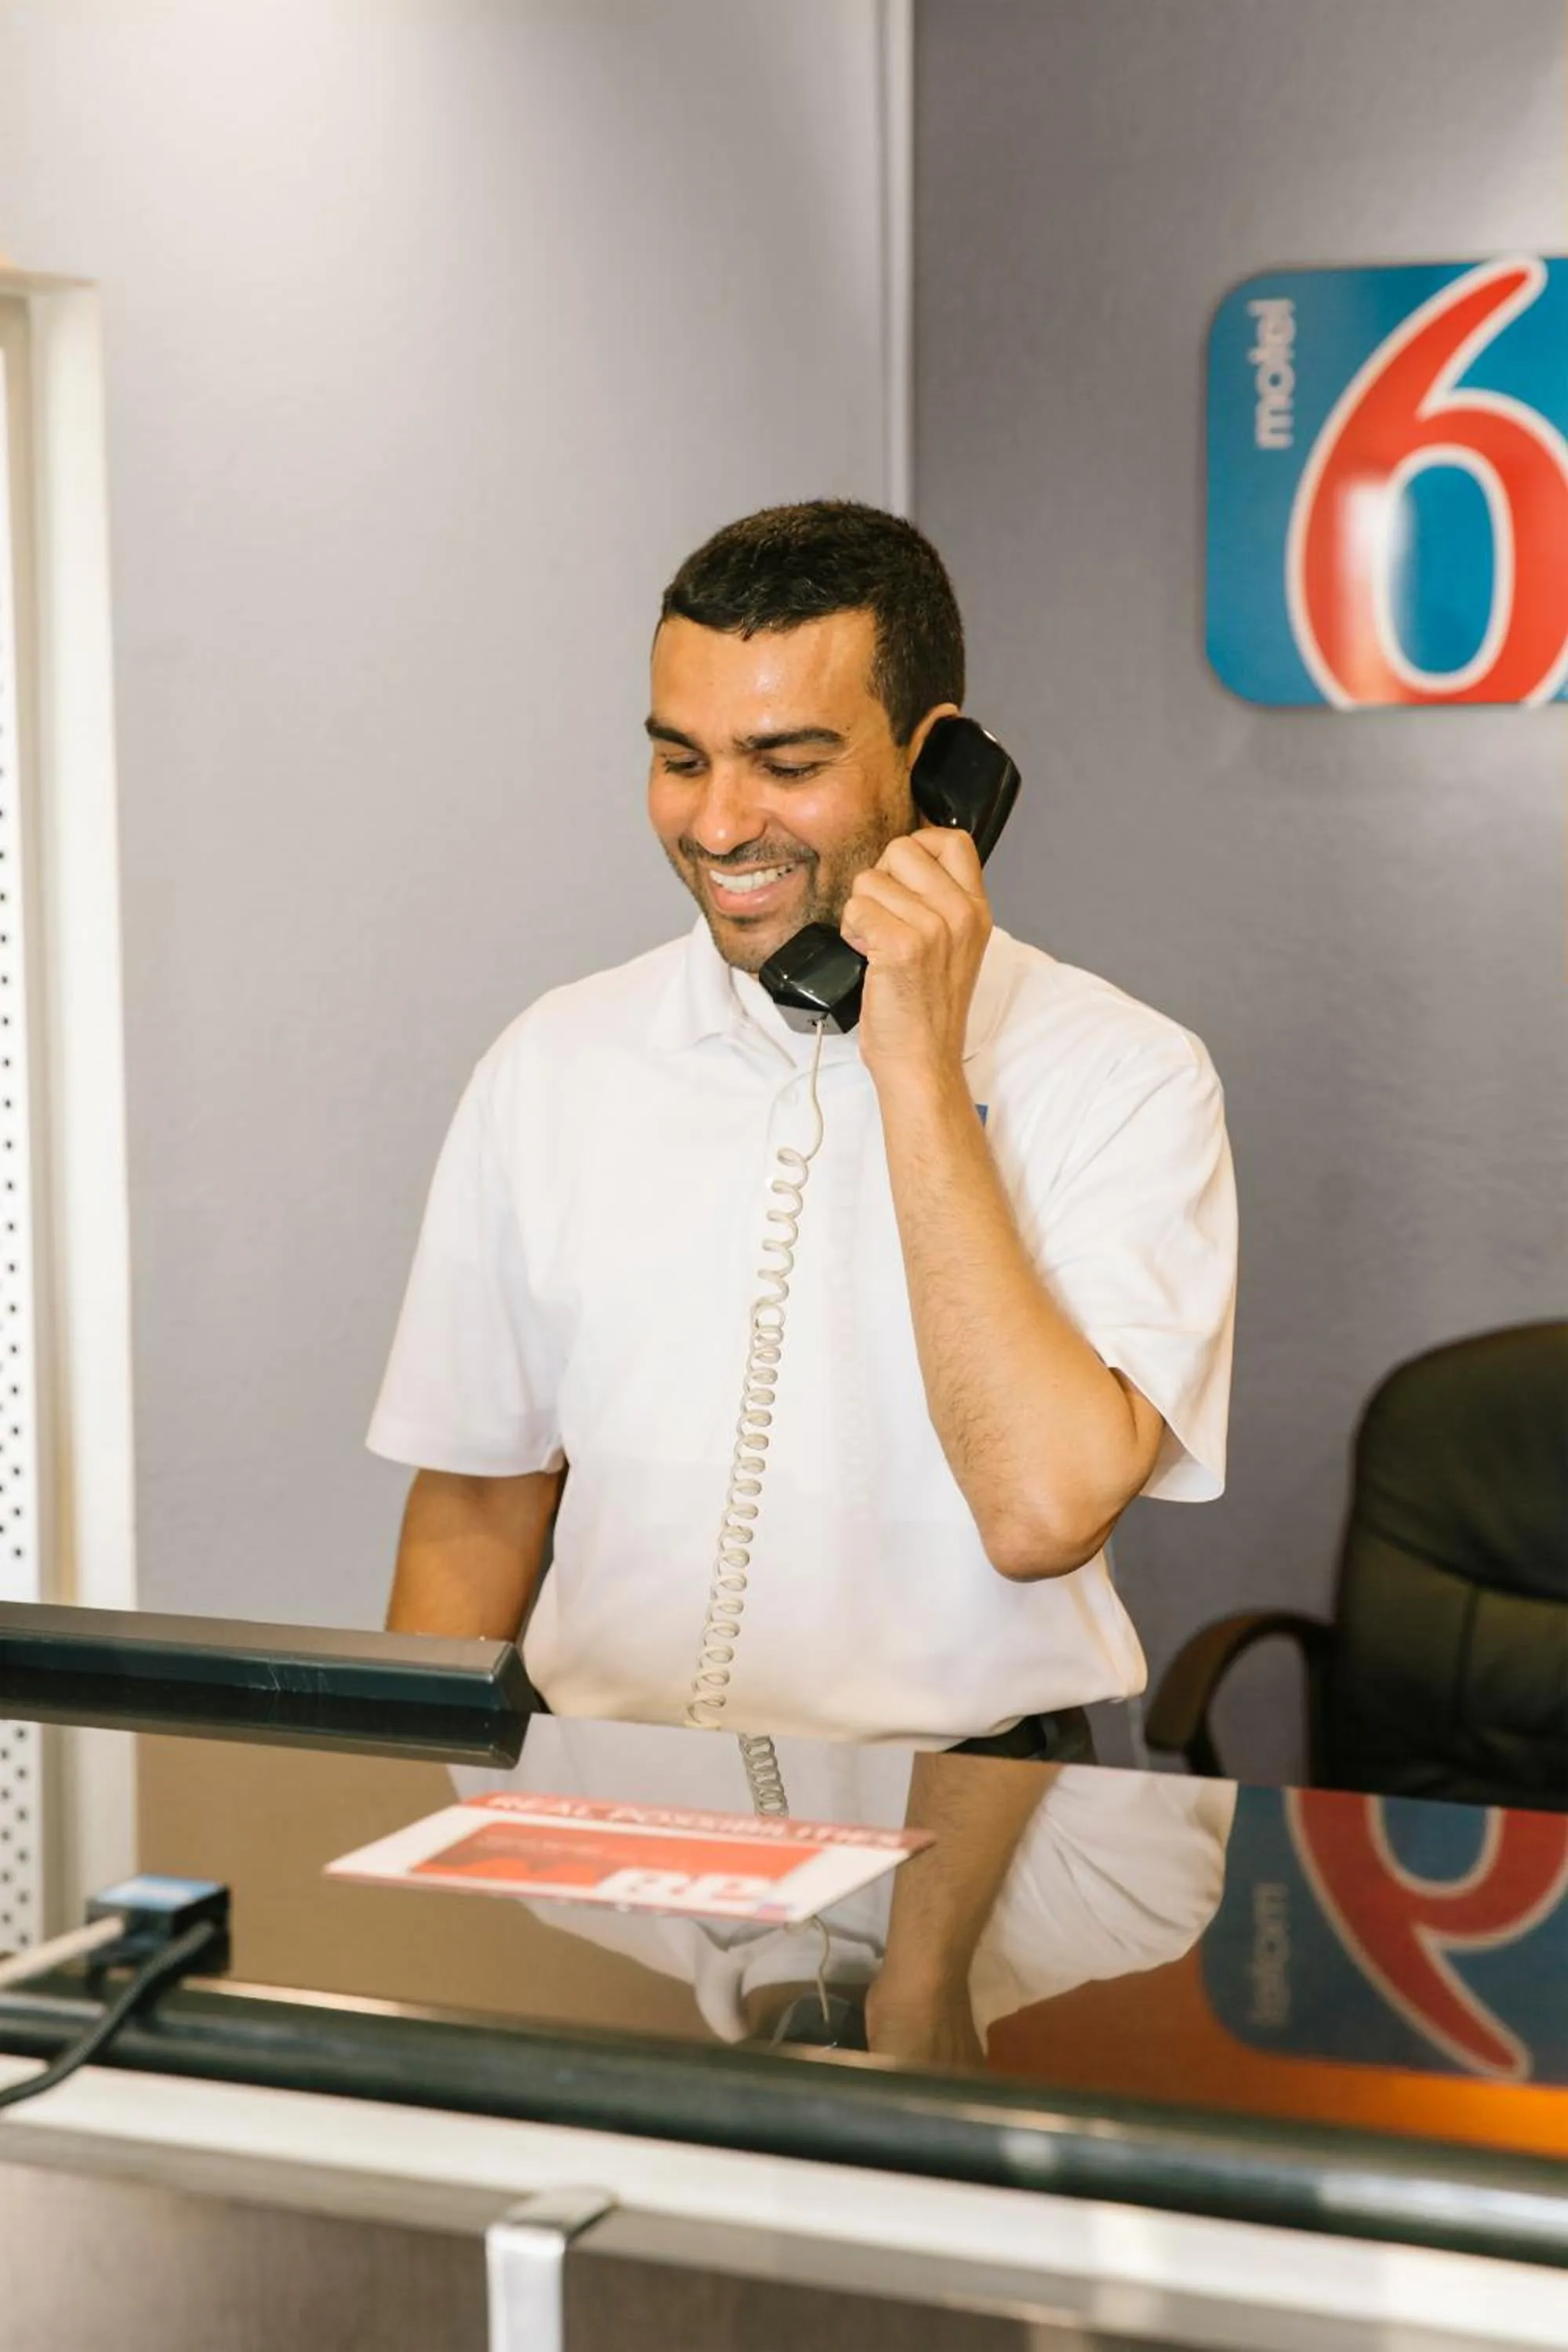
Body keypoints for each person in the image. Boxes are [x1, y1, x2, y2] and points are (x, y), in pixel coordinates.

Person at [371, 500, 1236, 1750]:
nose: (720, 825)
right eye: (682, 761)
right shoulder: (554, 1059)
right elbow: (477, 1497)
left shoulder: (1126, 1076)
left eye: (787, 767)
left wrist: (916, 1064)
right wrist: (410, 1804)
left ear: (936, 766)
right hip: (601, 1793)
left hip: (970, 1801)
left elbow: (1042, 1514)